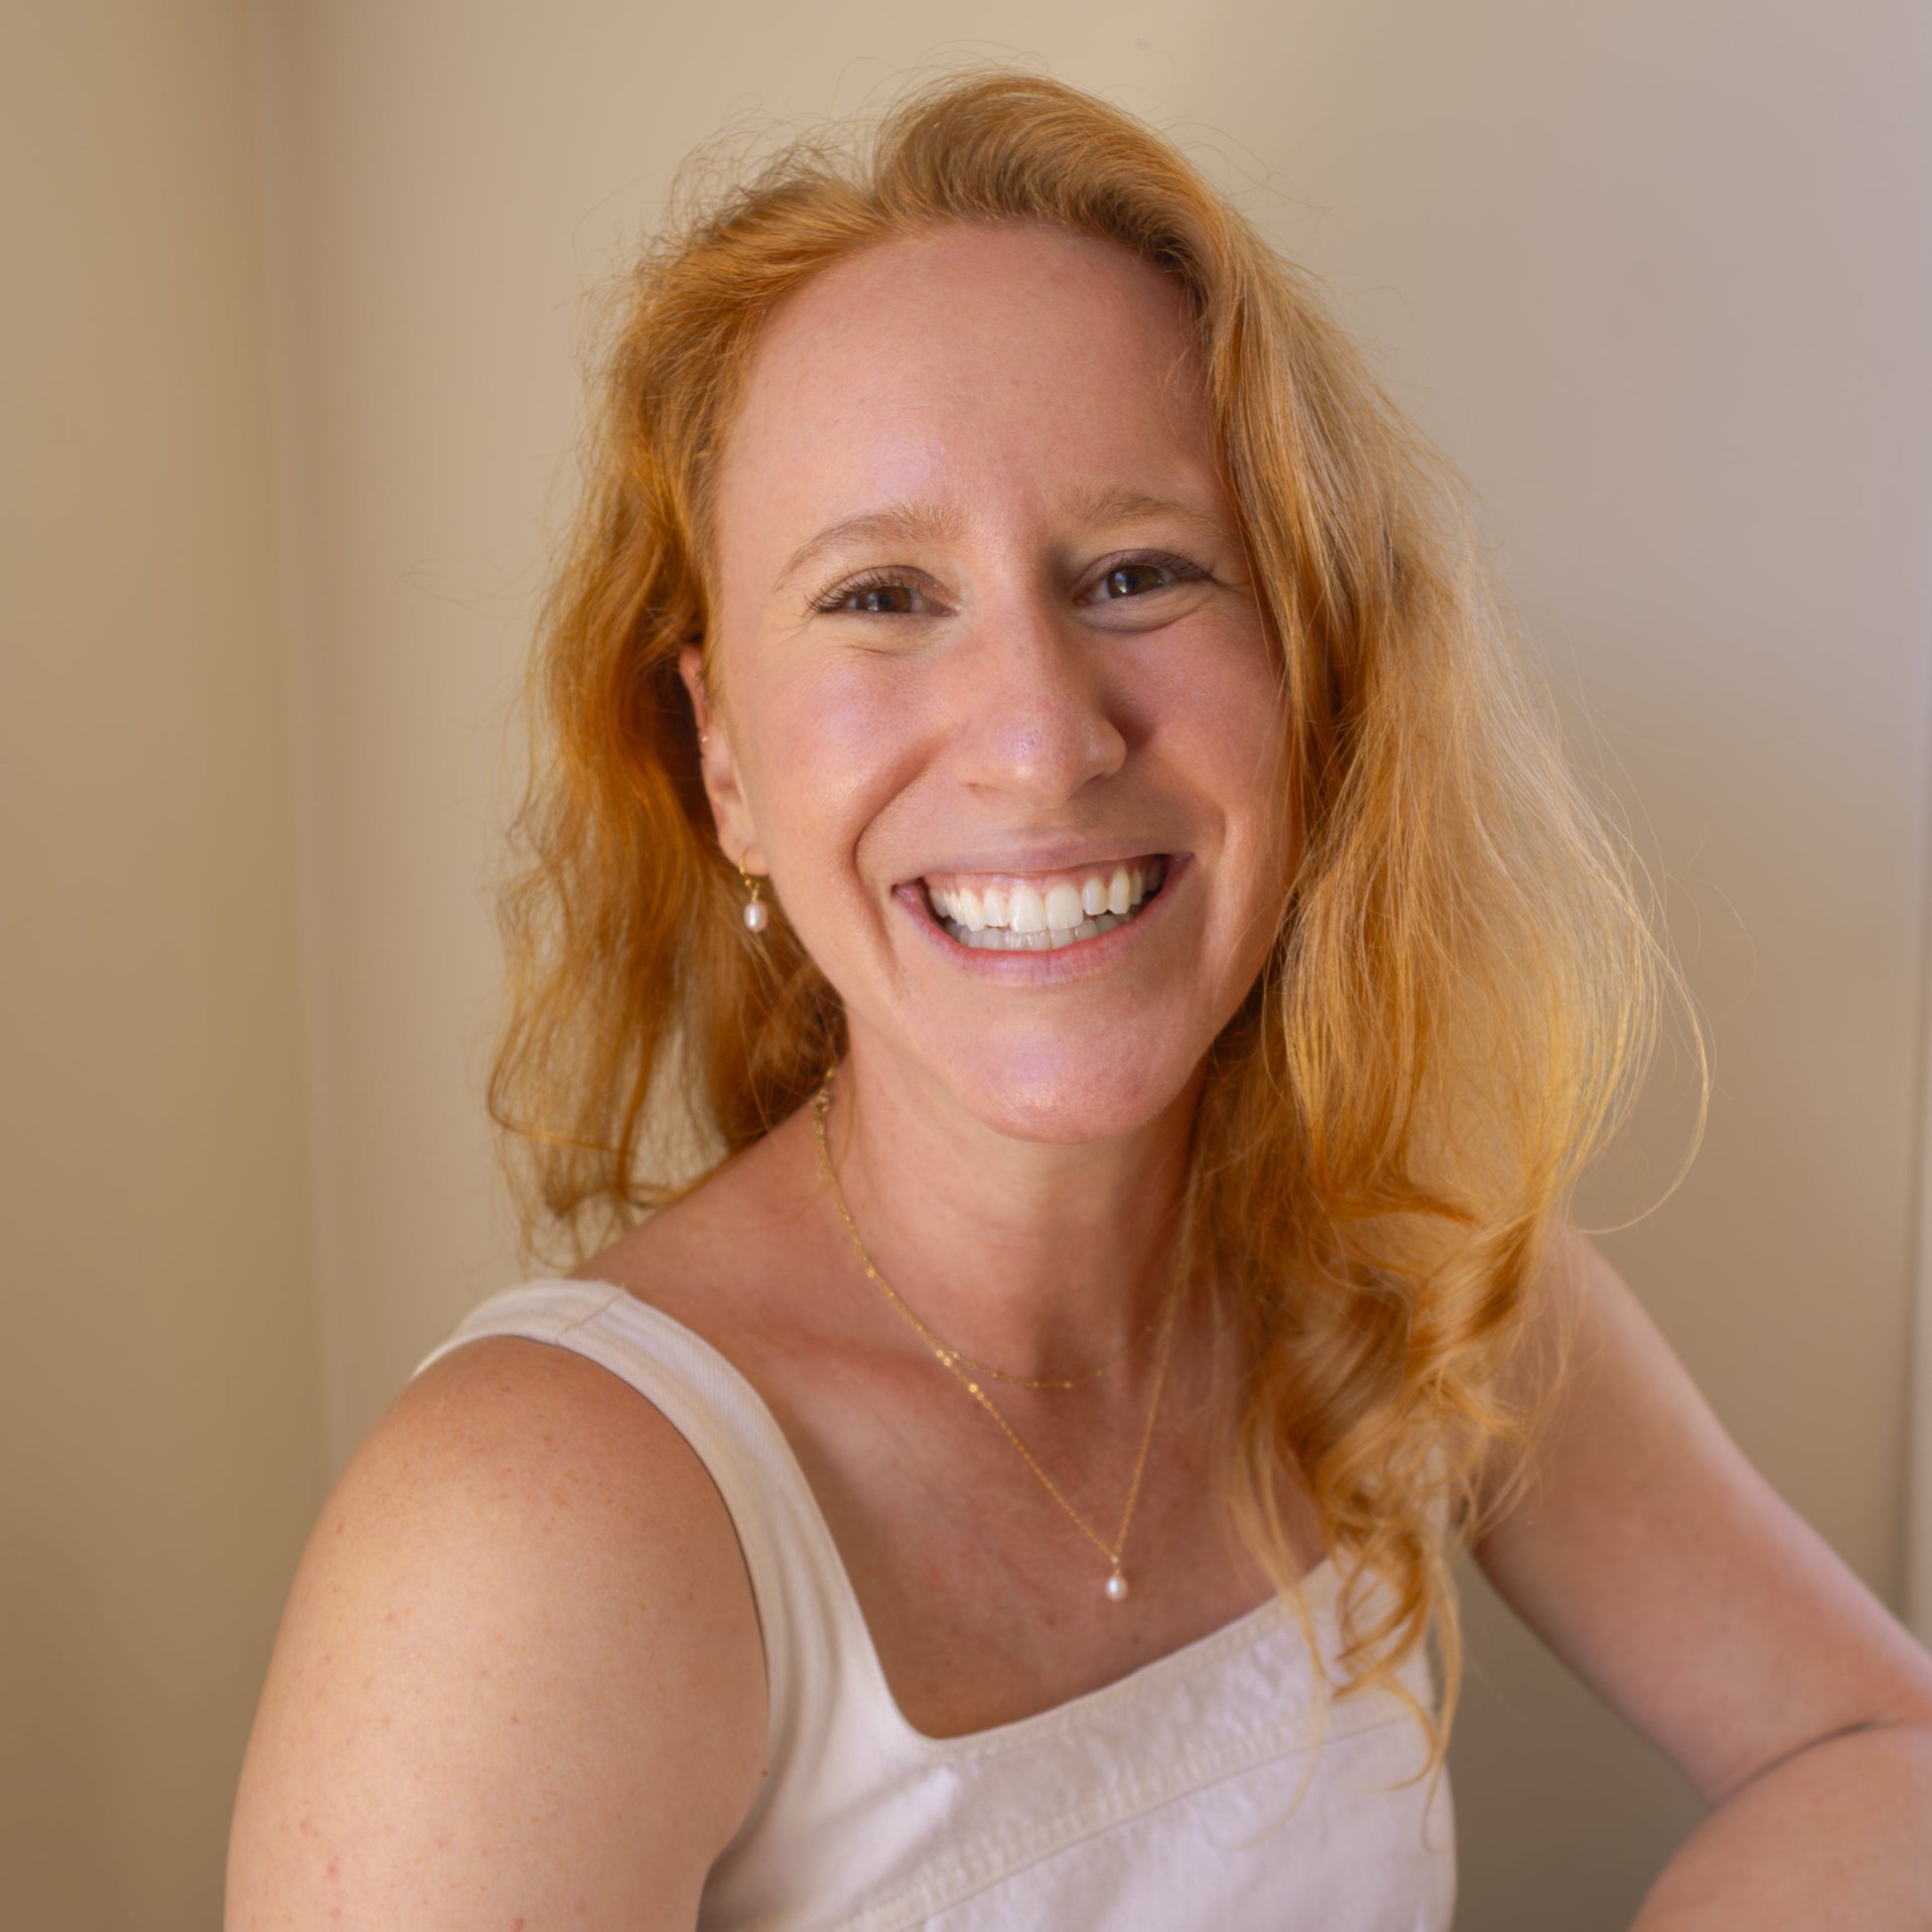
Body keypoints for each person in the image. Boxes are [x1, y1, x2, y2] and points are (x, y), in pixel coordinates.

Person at [226, 69, 1932, 1931]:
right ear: (722, 760)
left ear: (1315, 678)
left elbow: (1870, 1751)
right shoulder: (530, 1533)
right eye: (882, 596)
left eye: (1137, 572)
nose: (1041, 741)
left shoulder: (1403, 1270)